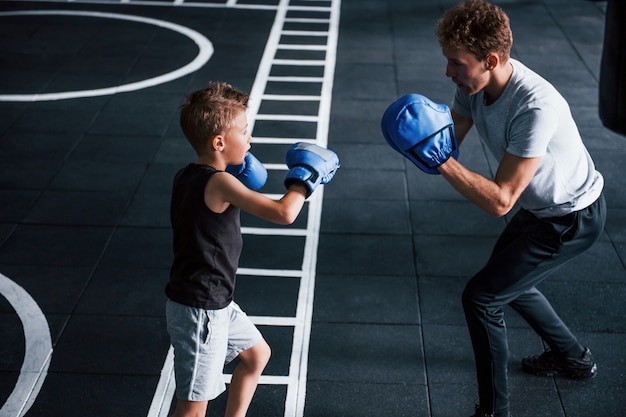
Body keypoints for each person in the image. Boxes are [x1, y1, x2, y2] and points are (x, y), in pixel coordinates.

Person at [381, 1, 606, 416]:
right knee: (504, 281)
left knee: (482, 297)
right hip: (542, 209)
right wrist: (426, 134)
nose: (448, 72)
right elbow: (449, 138)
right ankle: (573, 357)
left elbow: (501, 200)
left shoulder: (534, 108)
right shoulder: (474, 86)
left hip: (572, 217)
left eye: (455, 63)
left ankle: (494, 411)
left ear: (491, 60)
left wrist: (440, 160)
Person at [166, 81, 339, 417]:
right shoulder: (220, 183)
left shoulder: (188, 176)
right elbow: (284, 212)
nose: (250, 140)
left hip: (212, 301)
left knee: (256, 355)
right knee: (192, 410)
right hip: (201, 309)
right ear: (219, 142)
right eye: (244, 132)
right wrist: (304, 180)